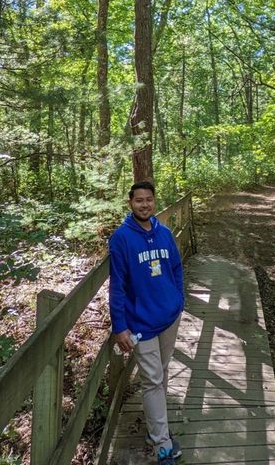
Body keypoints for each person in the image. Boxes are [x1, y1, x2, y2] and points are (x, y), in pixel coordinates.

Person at [108, 180, 184, 465]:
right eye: (139, 200)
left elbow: (176, 268)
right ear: (130, 203)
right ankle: (162, 445)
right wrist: (119, 326)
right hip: (140, 322)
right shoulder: (121, 239)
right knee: (152, 380)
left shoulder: (163, 233)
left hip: (169, 316)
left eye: (149, 199)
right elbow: (117, 286)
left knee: (161, 374)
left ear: (154, 201)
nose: (144, 204)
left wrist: (179, 301)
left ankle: (157, 430)